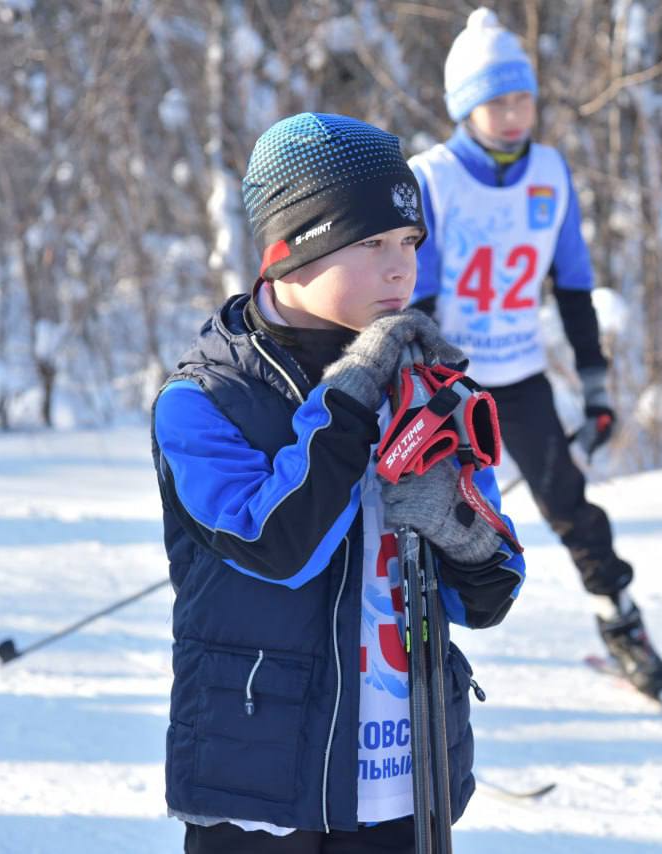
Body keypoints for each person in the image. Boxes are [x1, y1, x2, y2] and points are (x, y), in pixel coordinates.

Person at [151, 112, 526, 853]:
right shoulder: (201, 402)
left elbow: (490, 595)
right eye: (371, 243)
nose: (401, 267)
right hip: (259, 782)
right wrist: (352, 392)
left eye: (409, 242)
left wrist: (460, 531)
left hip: (402, 779)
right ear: (290, 251)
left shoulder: (424, 382)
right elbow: (279, 545)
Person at [408, 8, 662, 698]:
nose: (513, 113)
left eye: (522, 97)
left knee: (572, 509)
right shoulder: (431, 177)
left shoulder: (551, 173)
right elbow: (418, 297)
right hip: (450, 380)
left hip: (522, 377)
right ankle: (413, 647)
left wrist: (595, 388)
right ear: (466, 107)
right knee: (437, 513)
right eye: (496, 101)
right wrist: (421, 391)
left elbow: (575, 284)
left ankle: (623, 627)